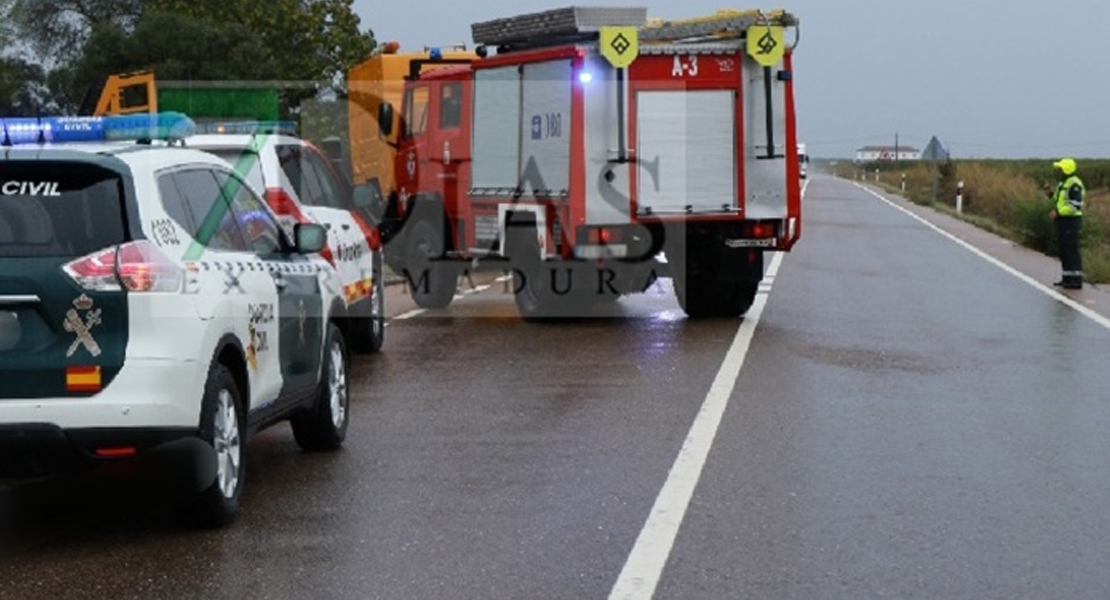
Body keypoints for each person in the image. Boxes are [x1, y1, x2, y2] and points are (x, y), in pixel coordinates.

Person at [1045, 158, 1085, 289]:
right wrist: (1050, 193)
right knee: (1064, 250)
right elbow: (1059, 199)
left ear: (1066, 170)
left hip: (1070, 221)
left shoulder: (1074, 184)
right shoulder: (1063, 183)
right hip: (1062, 221)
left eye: (1060, 169)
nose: (1059, 171)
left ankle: (1076, 280)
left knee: (1071, 250)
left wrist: (1058, 212)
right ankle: (1067, 278)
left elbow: (1075, 206)